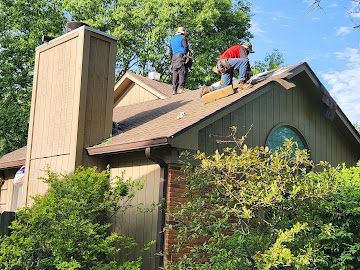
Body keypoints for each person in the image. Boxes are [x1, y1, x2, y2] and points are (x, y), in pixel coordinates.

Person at [170, 26, 189, 95]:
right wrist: (185, 55)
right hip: (180, 56)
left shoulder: (172, 39)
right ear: (182, 33)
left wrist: (172, 59)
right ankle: (180, 88)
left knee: (175, 73)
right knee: (181, 72)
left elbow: (170, 51)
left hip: (174, 57)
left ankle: (174, 90)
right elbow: (186, 47)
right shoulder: (183, 38)